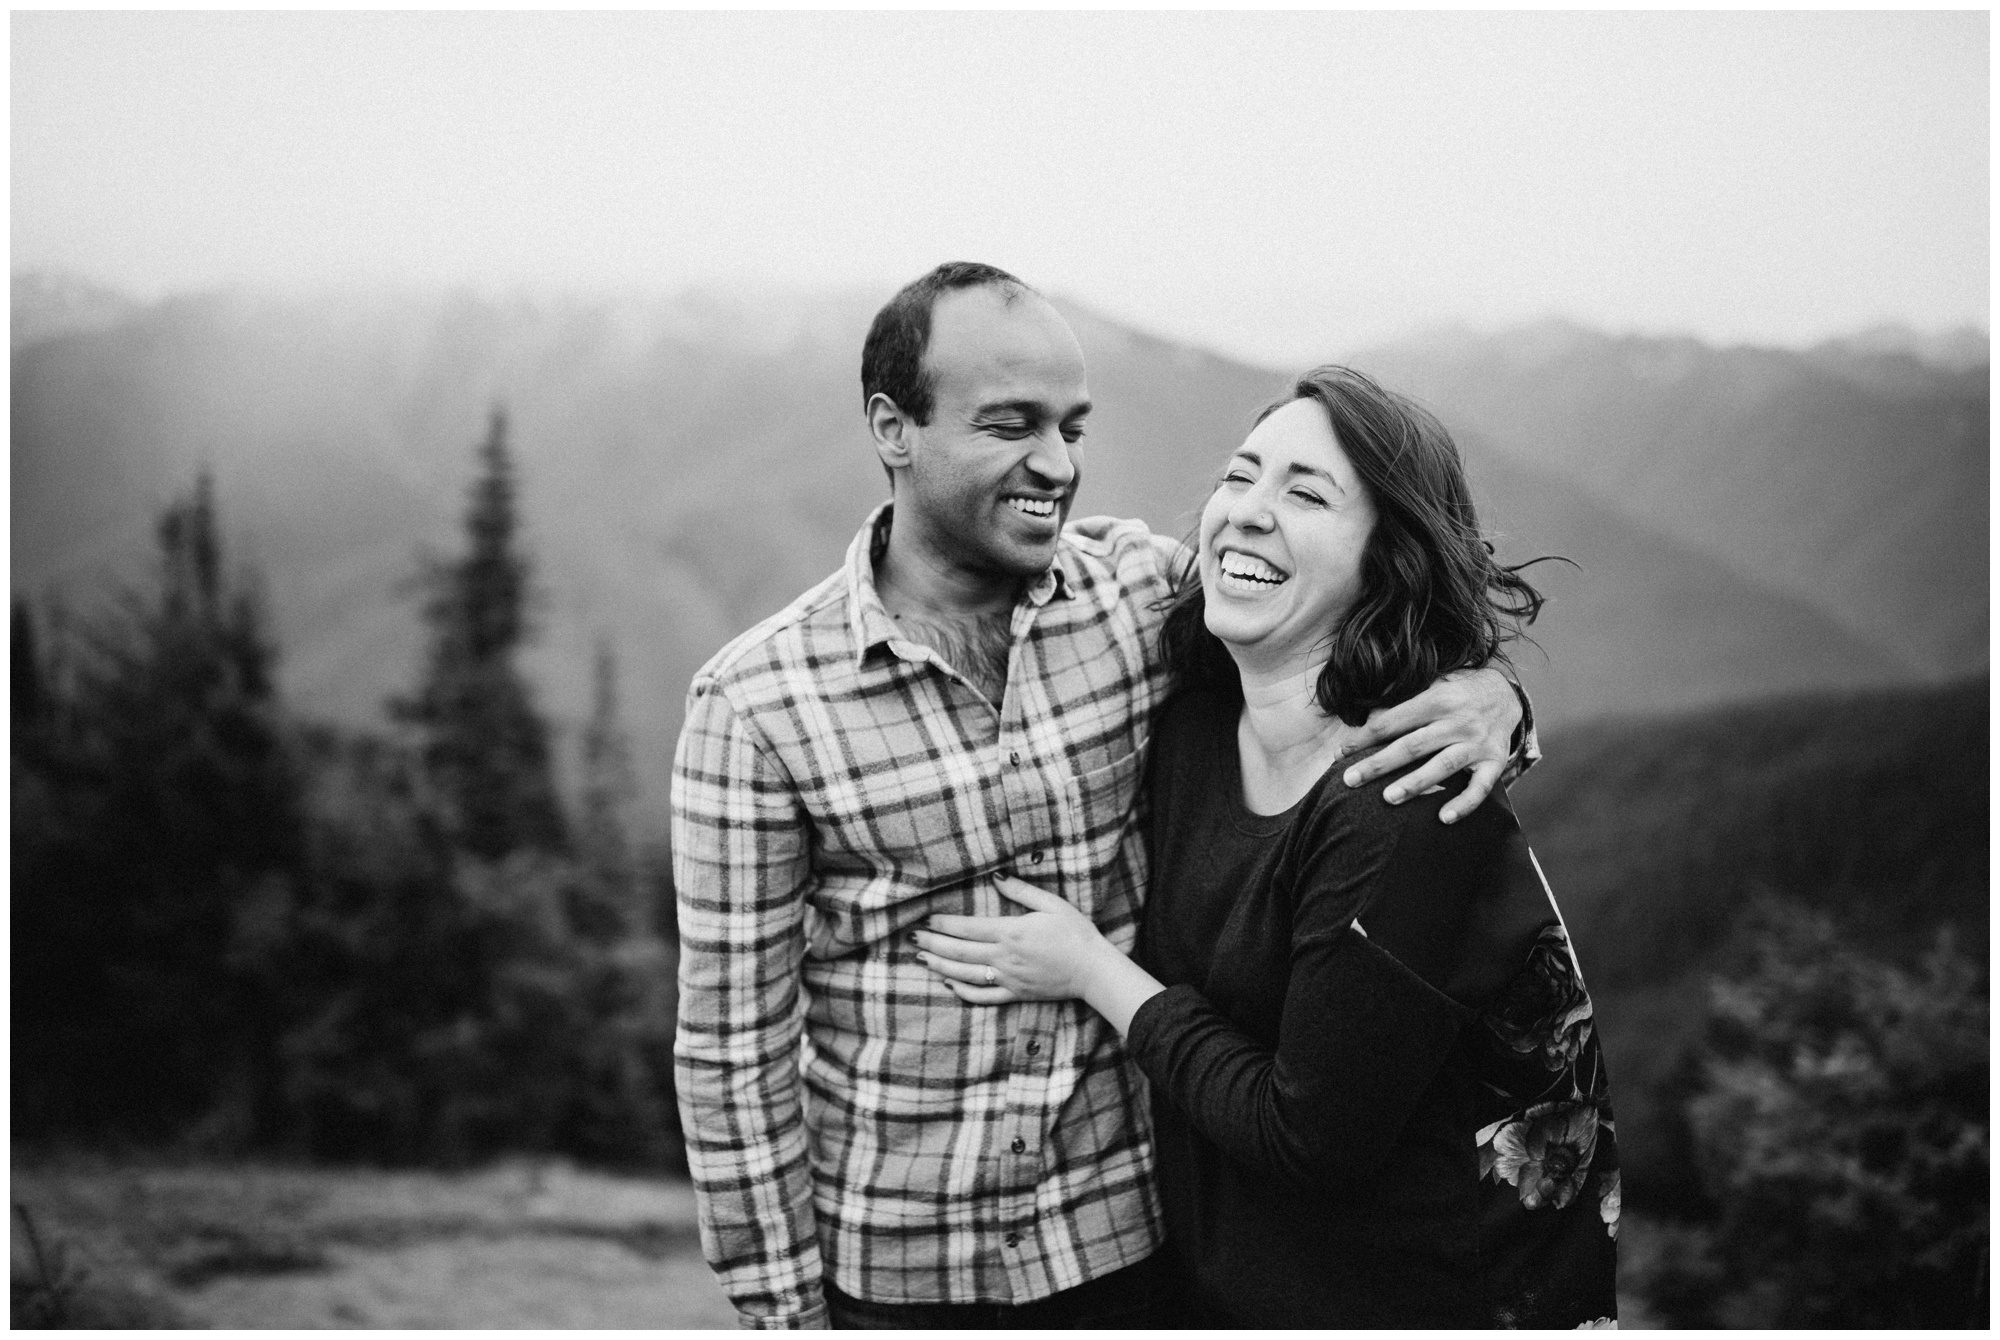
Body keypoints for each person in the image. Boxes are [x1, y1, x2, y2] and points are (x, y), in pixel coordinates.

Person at [671, 265, 1530, 1328]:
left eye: (1071, 428)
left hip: (1136, 1248)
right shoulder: (756, 704)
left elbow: (1328, 627)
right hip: (904, 1271)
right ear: (893, 427)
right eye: (1011, 425)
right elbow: (734, 1047)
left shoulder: (1138, 595)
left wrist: (1495, 700)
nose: (1057, 463)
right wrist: (781, 1313)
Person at [915, 365, 1619, 1327]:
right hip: (1232, 1289)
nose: (1247, 511)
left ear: (1388, 560)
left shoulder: (1403, 804)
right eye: (1240, 477)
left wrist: (1090, 969)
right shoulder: (1195, 724)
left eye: (1307, 495)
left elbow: (1307, 1140)